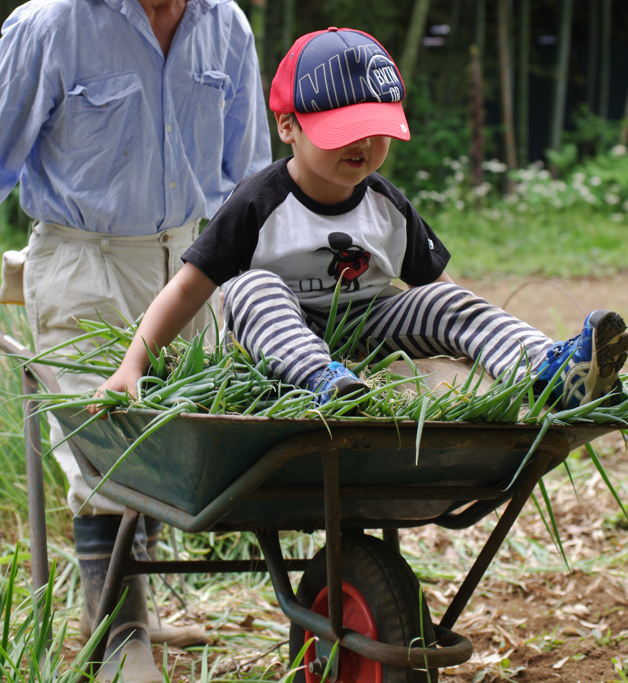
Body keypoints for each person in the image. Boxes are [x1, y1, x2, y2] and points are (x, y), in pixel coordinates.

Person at [0, 0, 272, 683]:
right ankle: (122, 639)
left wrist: (272, 285)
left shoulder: (226, 28)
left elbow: (251, 181)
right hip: (81, 262)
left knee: (174, 446)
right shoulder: (52, 24)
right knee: (110, 446)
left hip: (189, 262)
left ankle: (120, 610)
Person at [92, 26, 628, 421]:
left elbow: (434, 293)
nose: (363, 145)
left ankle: (551, 372)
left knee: (451, 299)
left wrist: (457, 320)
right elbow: (188, 289)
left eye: (375, 129)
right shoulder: (258, 203)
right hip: (278, 337)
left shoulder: (387, 204)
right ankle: (324, 382)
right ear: (288, 126)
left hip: (368, 329)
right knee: (251, 288)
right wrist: (133, 364)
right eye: (343, 129)